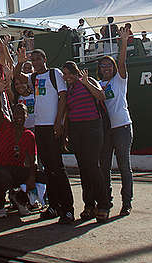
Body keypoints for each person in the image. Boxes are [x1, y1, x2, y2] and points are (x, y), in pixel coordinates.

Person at [24, 47, 74, 224]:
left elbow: (63, 97)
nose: (36, 62)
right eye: (33, 60)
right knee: (48, 169)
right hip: (40, 127)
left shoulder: (55, 73)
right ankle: (53, 206)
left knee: (58, 168)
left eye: (38, 59)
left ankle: (68, 208)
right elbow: (17, 78)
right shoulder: (33, 78)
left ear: (45, 59)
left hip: (53, 127)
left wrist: (58, 122)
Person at [62, 61, 109, 222]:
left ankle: (103, 204)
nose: (67, 77)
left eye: (70, 73)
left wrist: (86, 82)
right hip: (76, 129)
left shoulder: (88, 81)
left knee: (93, 166)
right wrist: (66, 134)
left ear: (76, 72)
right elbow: (68, 113)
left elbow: (101, 96)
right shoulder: (69, 89)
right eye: (65, 74)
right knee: (83, 168)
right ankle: (89, 205)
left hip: (92, 127)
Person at [99, 24, 134, 217]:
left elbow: (122, 62)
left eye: (108, 65)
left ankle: (126, 202)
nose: (106, 68)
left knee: (123, 166)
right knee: (104, 166)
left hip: (122, 127)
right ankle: (107, 200)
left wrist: (122, 42)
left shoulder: (119, 80)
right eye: (102, 66)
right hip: (105, 131)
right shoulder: (98, 84)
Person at [0, 76, 37, 218]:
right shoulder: (5, 125)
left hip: (18, 170)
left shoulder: (29, 135)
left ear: (26, 116)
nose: (18, 117)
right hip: (2, 168)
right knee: (2, 175)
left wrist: (32, 178)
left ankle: (24, 200)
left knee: (41, 176)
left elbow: (33, 159)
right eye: (16, 114)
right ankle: (0, 206)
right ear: (11, 114)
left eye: (22, 114)